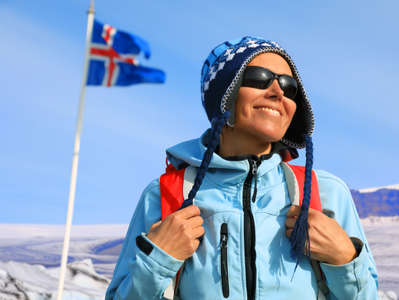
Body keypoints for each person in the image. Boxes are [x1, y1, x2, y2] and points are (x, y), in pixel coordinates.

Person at [105, 36, 379, 300]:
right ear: (225, 96)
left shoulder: (326, 193)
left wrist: (345, 259)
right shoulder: (166, 195)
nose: (277, 92)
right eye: (260, 78)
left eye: (289, 86)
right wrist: (159, 259)